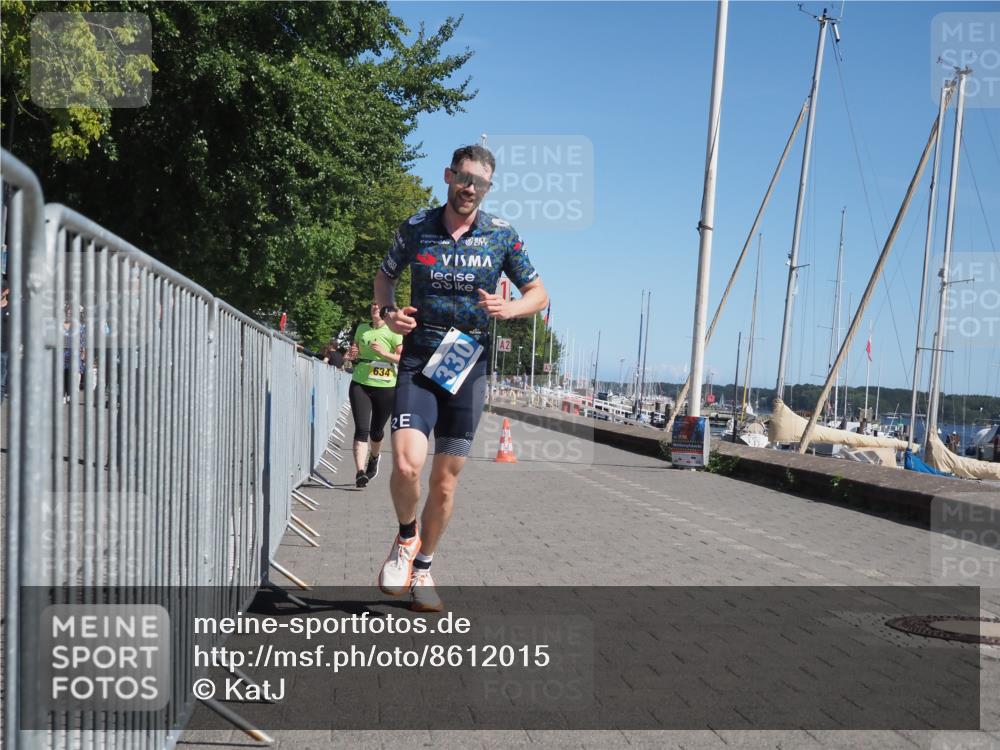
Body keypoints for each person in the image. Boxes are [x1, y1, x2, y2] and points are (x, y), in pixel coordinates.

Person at [374, 144, 548, 611]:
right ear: (449, 176)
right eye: (465, 178)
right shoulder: (417, 227)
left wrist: (510, 308)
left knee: (445, 483)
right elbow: (384, 276)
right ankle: (406, 538)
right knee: (408, 464)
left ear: (488, 188)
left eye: (481, 183)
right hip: (419, 357)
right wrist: (389, 313)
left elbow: (539, 292)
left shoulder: (501, 236)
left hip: (467, 359)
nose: (471, 189)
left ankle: (425, 569)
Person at [348, 302, 404, 488]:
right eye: (372, 305)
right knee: (361, 429)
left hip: (386, 386)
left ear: (385, 312)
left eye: (378, 306)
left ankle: (374, 457)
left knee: (376, 431)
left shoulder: (393, 331)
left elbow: (401, 358)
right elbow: (354, 351)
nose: (374, 308)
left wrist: (384, 353)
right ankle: (360, 472)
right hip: (360, 383)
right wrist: (353, 353)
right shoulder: (362, 328)